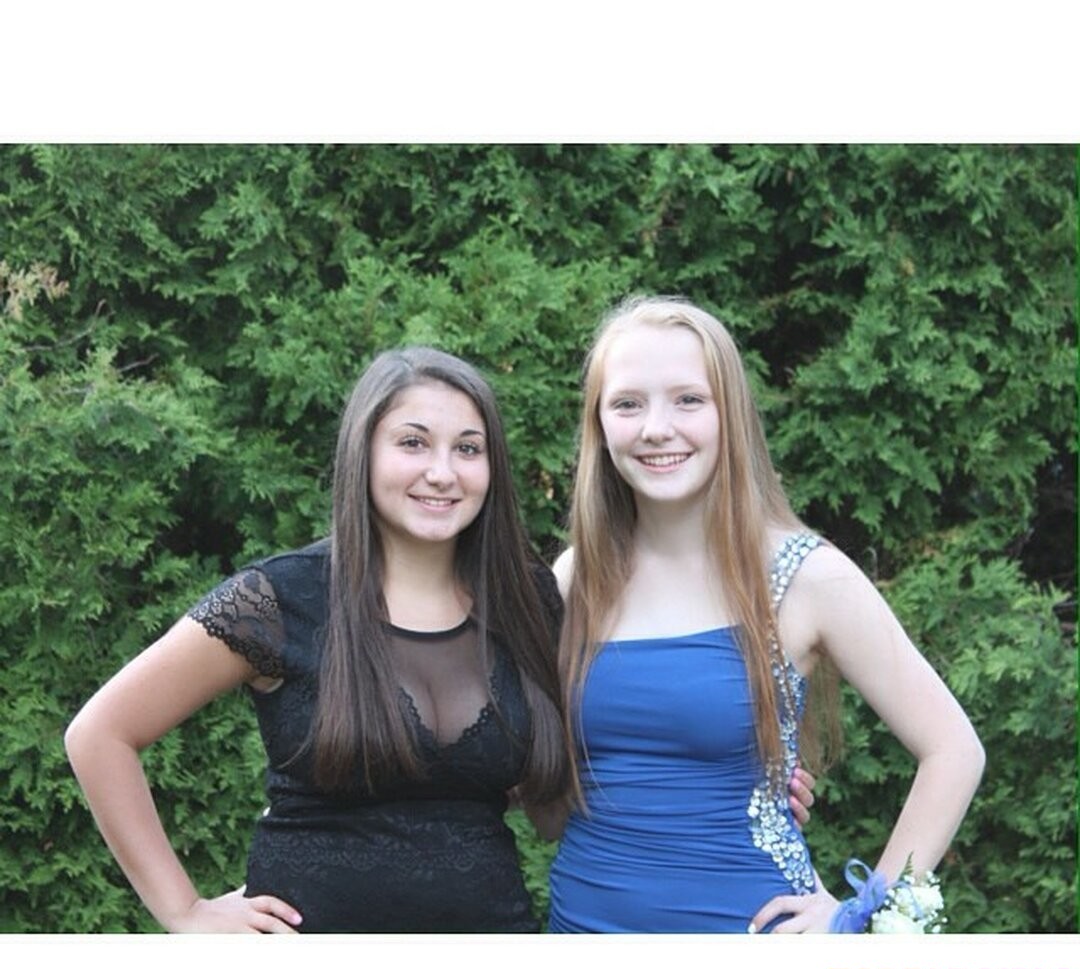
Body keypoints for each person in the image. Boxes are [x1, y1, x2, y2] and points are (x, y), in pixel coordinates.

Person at [64, 346, 572, 933]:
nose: (442, 472)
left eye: (468, 448)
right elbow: (100, 734)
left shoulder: (527, 598)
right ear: (363, 452)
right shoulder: (280, 600)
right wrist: (185, 911)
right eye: (413, 443)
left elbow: (552, 802)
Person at [545, 295, 985, 933]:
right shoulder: (575, 578)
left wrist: (864, 911)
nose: (656, 428)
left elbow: (954, 749)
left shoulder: (808, 577)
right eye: (627, 404)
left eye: (688, 400)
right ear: (599, 423)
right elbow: (544, 790)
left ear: (731, 413)